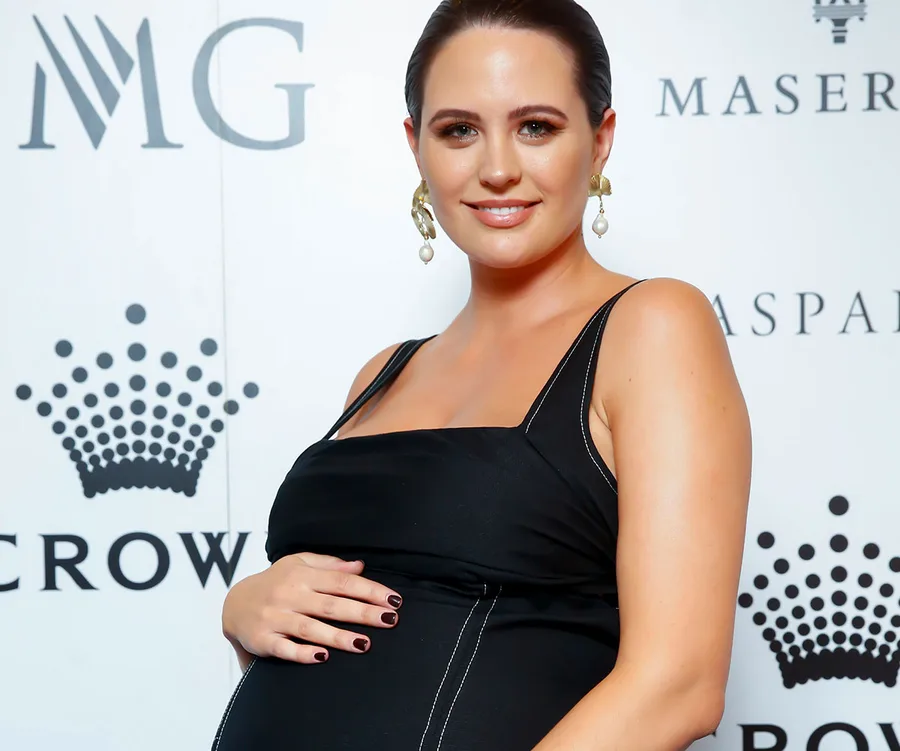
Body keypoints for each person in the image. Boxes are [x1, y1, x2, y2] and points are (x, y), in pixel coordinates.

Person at [211, 1, 752, 749]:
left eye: (536, 126)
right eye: (459, 130)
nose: (497, 169)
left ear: (600, 141)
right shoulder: (384, 373)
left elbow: (678, 684)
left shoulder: (651, 325)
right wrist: (247, 612)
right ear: (416, 147)